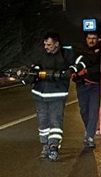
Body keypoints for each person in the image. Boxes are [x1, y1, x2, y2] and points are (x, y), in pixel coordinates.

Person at [30, 32, 75, 161]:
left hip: (57, 94)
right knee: (43, 121)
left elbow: (74, 66)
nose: (46, 47)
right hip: (40, 94)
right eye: (45, 44)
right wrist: (33, 73)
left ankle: (53, 146)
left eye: (49, 44)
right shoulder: (41, 54)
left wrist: (67, 72)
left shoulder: (66, 54)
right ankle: (45, 145)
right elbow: (36, 66)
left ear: (56, 44)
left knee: (55, 121)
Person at [69, 29, 101, 148]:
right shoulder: (80, 52)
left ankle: (89, 136)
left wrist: (88, 71)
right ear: (86, 39)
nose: (91, 41)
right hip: (82, 85)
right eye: (89, 38)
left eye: (94, 38)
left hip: (95, 86)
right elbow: (74, 65)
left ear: (98, 39)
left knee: (93, 111)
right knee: (84, 110)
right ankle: (89, 130)